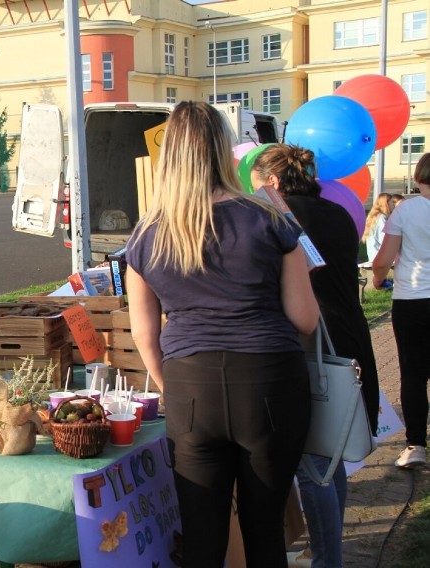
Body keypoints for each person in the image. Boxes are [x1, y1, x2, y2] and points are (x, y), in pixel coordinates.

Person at [125, 101, 319, 567]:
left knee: (202, 533)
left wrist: (176, 387)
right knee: (264, 529)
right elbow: (306, 318)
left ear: (169, 155)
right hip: (271, 381)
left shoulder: (147, 234)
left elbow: (144, 335)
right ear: (223, 150)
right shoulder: (271, 219)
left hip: (192, 386)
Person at [251, 144, 380, 568]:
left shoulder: (282, 220)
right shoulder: (337, 213)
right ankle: (329, 550)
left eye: (255, 186)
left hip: (312, 345)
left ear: (271, 183)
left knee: (313, 465)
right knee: (330, 455)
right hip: (348, 336)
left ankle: (328, 558)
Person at [373, 153, 430, 470]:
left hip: (413, 300)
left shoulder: (406, 210)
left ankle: (416, 445)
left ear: (419, 177)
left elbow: (382, 259)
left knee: (413, 374)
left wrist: (379, 280)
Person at [362, 193, 394, 264]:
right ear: (386, 203)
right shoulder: (381, 218)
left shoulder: (373, 217)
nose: (394, 205)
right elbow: (384, 239)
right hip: (380, 257)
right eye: (392, 202)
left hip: (373, 256)